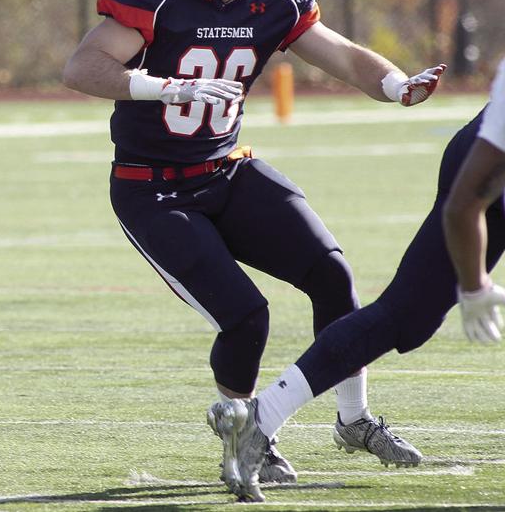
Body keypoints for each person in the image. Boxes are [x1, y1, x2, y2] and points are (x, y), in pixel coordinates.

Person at [61, 0, 445, 485]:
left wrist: (397, 84)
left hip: (225, 167)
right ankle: (247, 438)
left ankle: (353, 419)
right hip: (152, 184)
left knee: (333, 274)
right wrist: (165, 86)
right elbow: (83, 66)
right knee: (246, 316)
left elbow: (340, 53)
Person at [209, 60, 505, 502]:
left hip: (478, 168)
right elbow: (465, 201)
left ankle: (274, 417)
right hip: (483, 175)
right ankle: (262, 418)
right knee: (406, 314)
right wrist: (473, 284)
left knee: (408, 317)